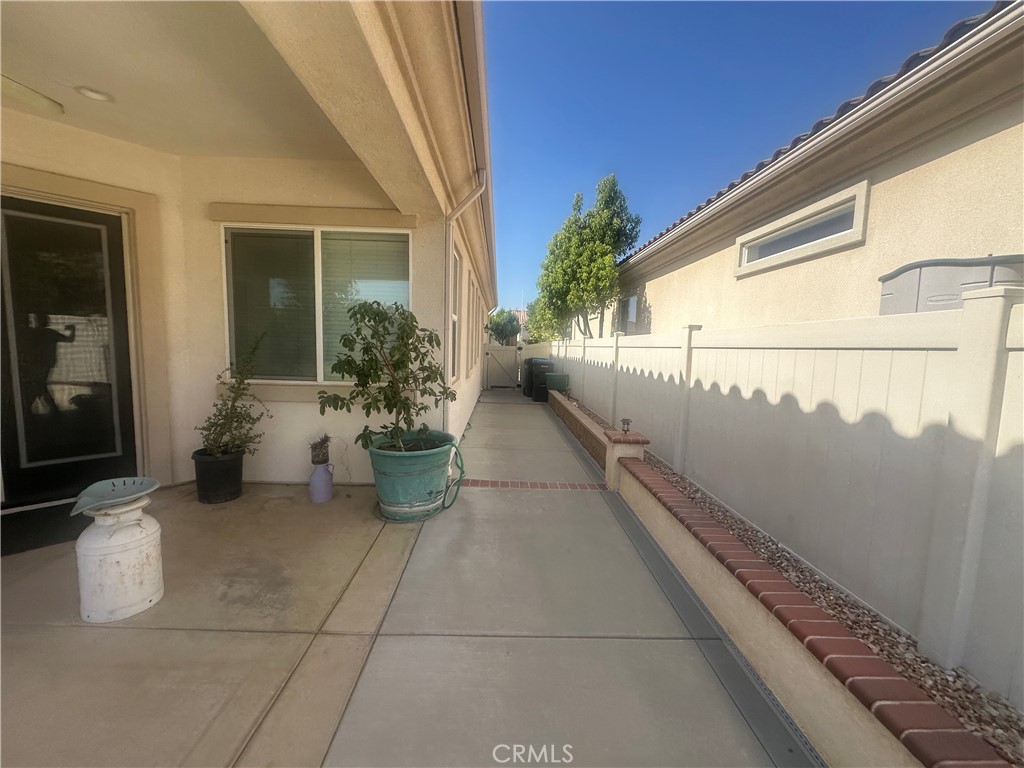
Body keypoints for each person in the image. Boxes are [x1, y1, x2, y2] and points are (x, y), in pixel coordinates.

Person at [21, 312, 76, 414]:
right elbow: (69, 339)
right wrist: (73, 329)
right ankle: (52, 409)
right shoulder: (50, 333)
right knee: (39, 385)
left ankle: (33, 408)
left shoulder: (33, 333)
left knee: (38, 385)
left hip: (34, 363)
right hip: (46, 363)